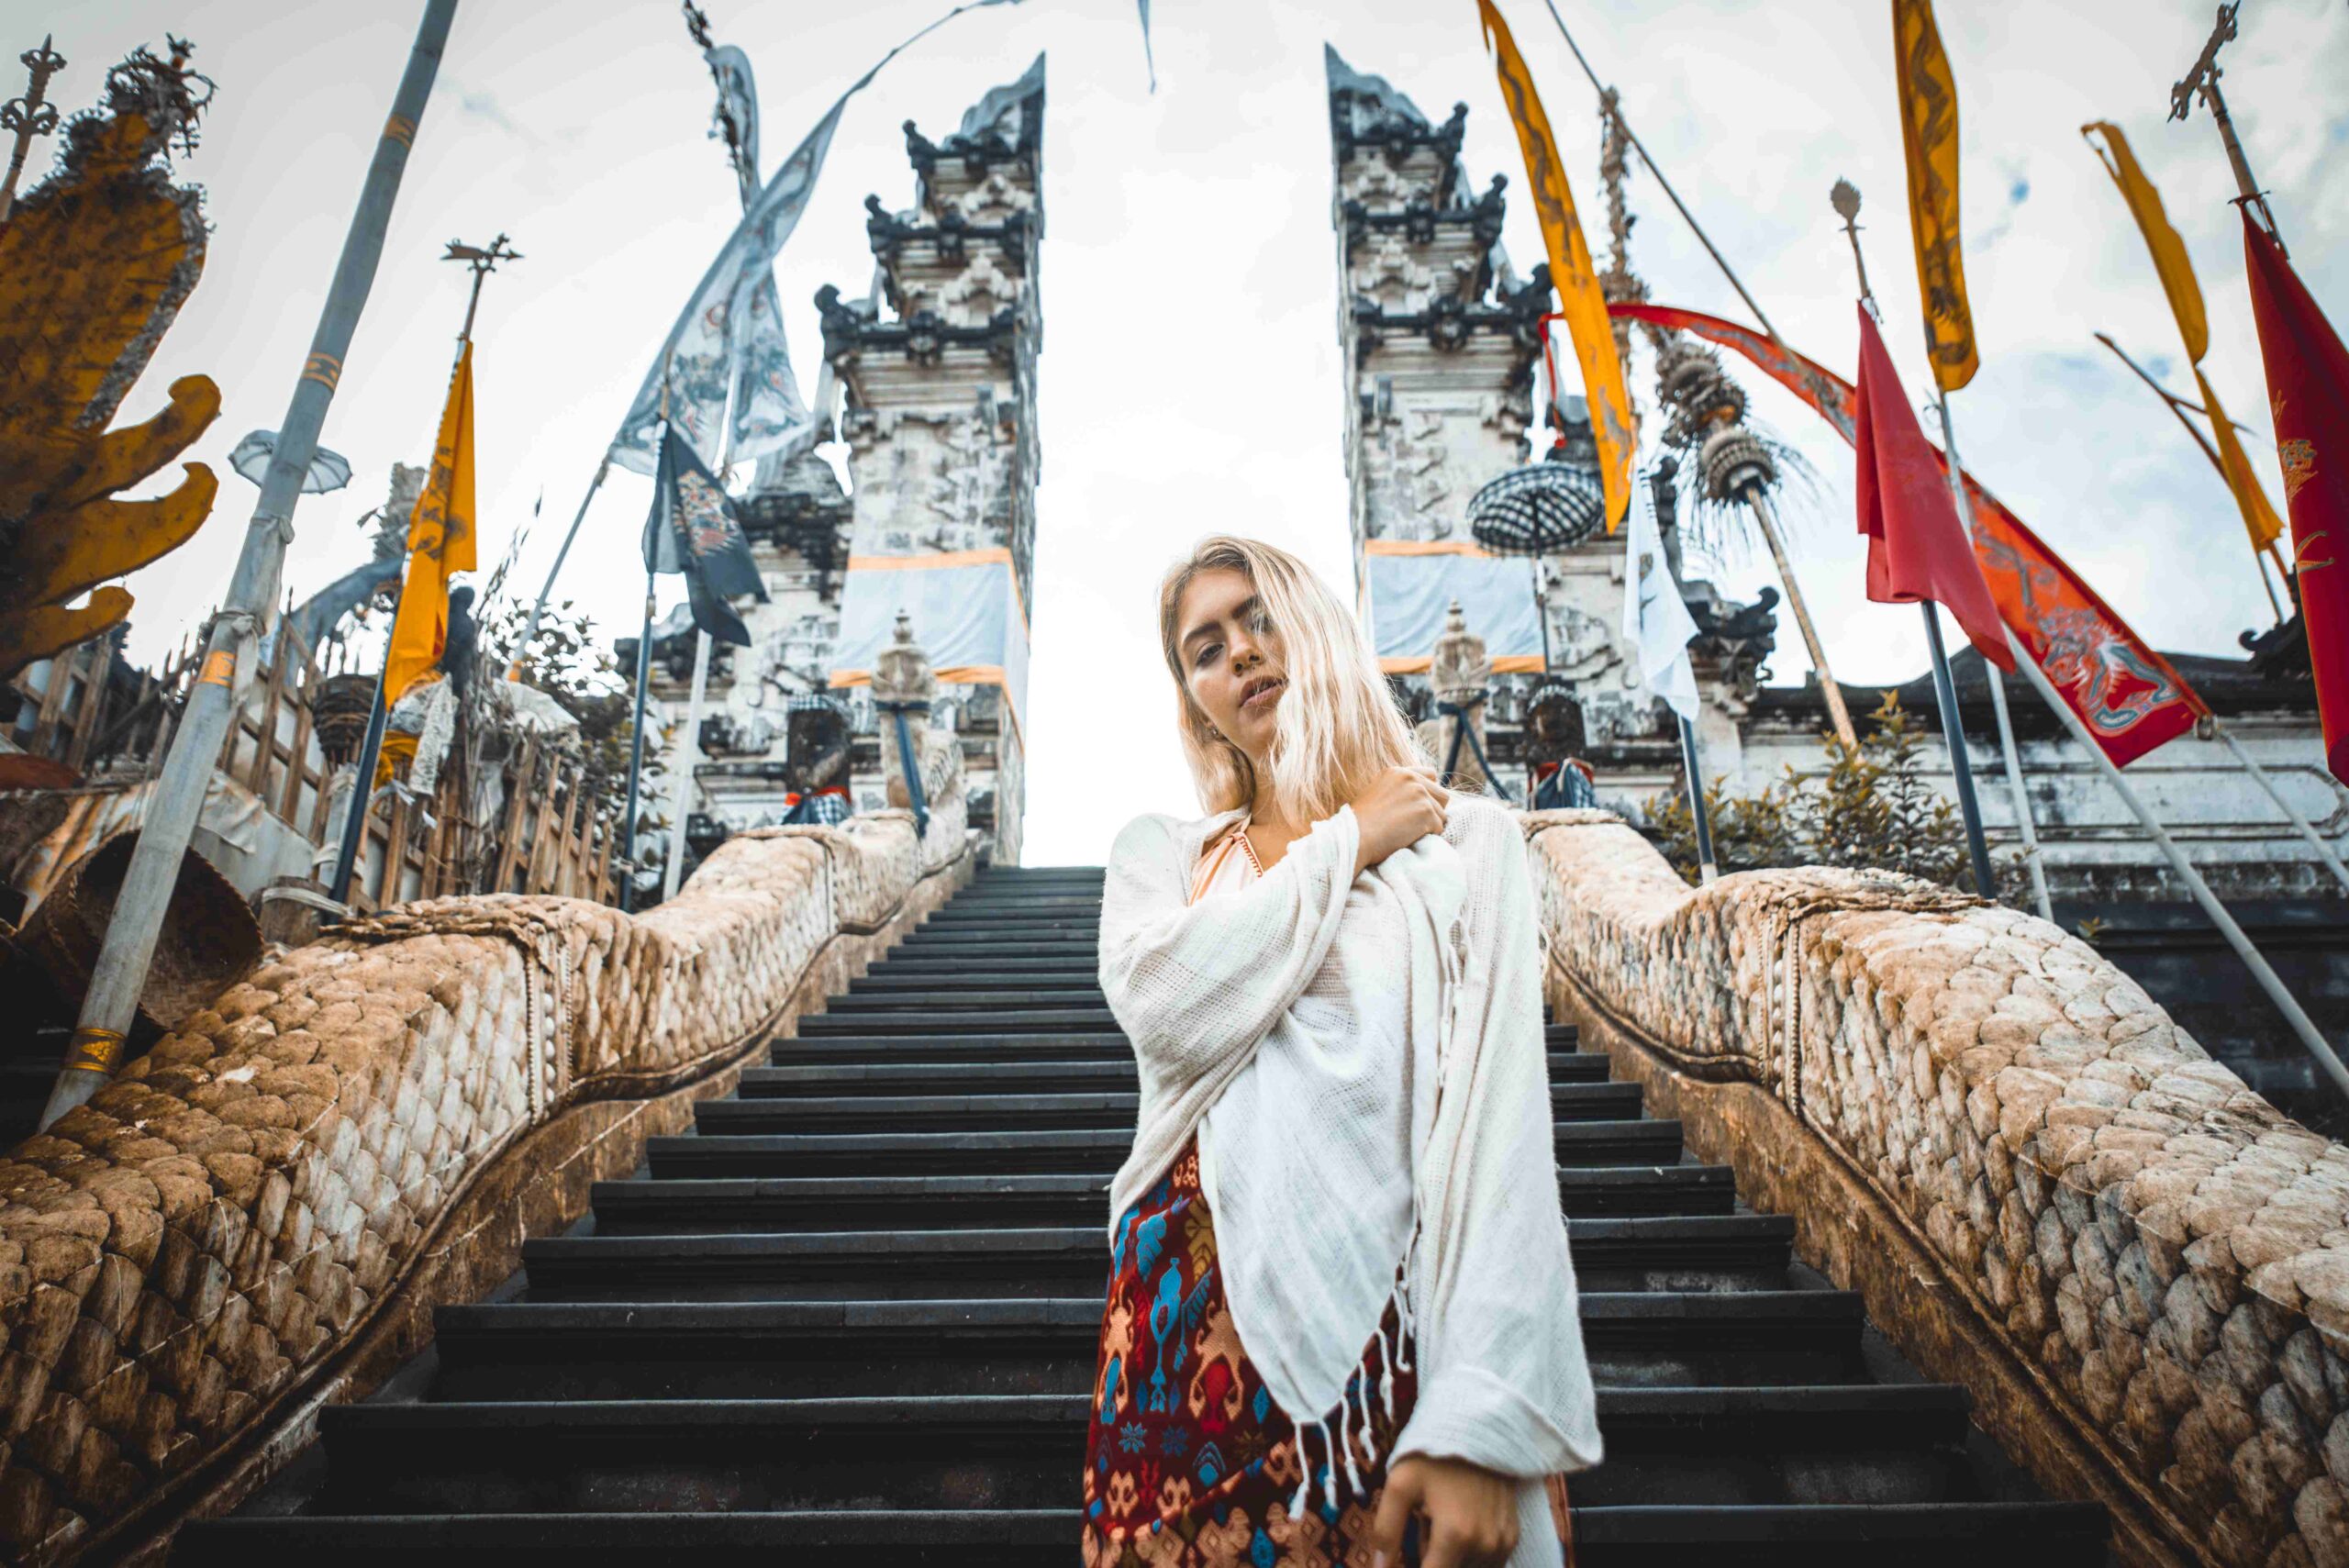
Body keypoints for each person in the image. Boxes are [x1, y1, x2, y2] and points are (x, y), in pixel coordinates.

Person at [1085, 536, 1600, 1568]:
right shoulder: (1166, 855)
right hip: (1176, 1334)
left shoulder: (1467, 845)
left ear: (1317, 626)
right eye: (1204, 646)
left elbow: (1495, 1124)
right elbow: (1164, 1004)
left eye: (1260, 615)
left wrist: (1480, 1415)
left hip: (1397, 1344)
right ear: (1196, 701)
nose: (1239, 652)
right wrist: (1348, 841)